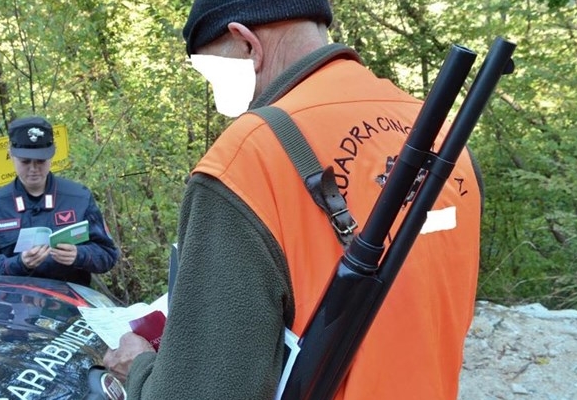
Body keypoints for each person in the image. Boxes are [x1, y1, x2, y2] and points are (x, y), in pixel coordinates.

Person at [103, 1, 484, 399]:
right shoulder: (444, 138)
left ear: (246, 43)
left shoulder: (247, 159)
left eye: (211, 72)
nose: (216, 95)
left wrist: (140, 368)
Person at [0, 116, 119, 286]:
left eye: (41, 161)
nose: (33, 169)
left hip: (68, 299)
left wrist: (79, 255)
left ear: (52, 154)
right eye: (25, 162)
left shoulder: (79, 198)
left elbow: (108, 255)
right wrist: (19, 263)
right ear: (11, 154)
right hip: (14, 300)